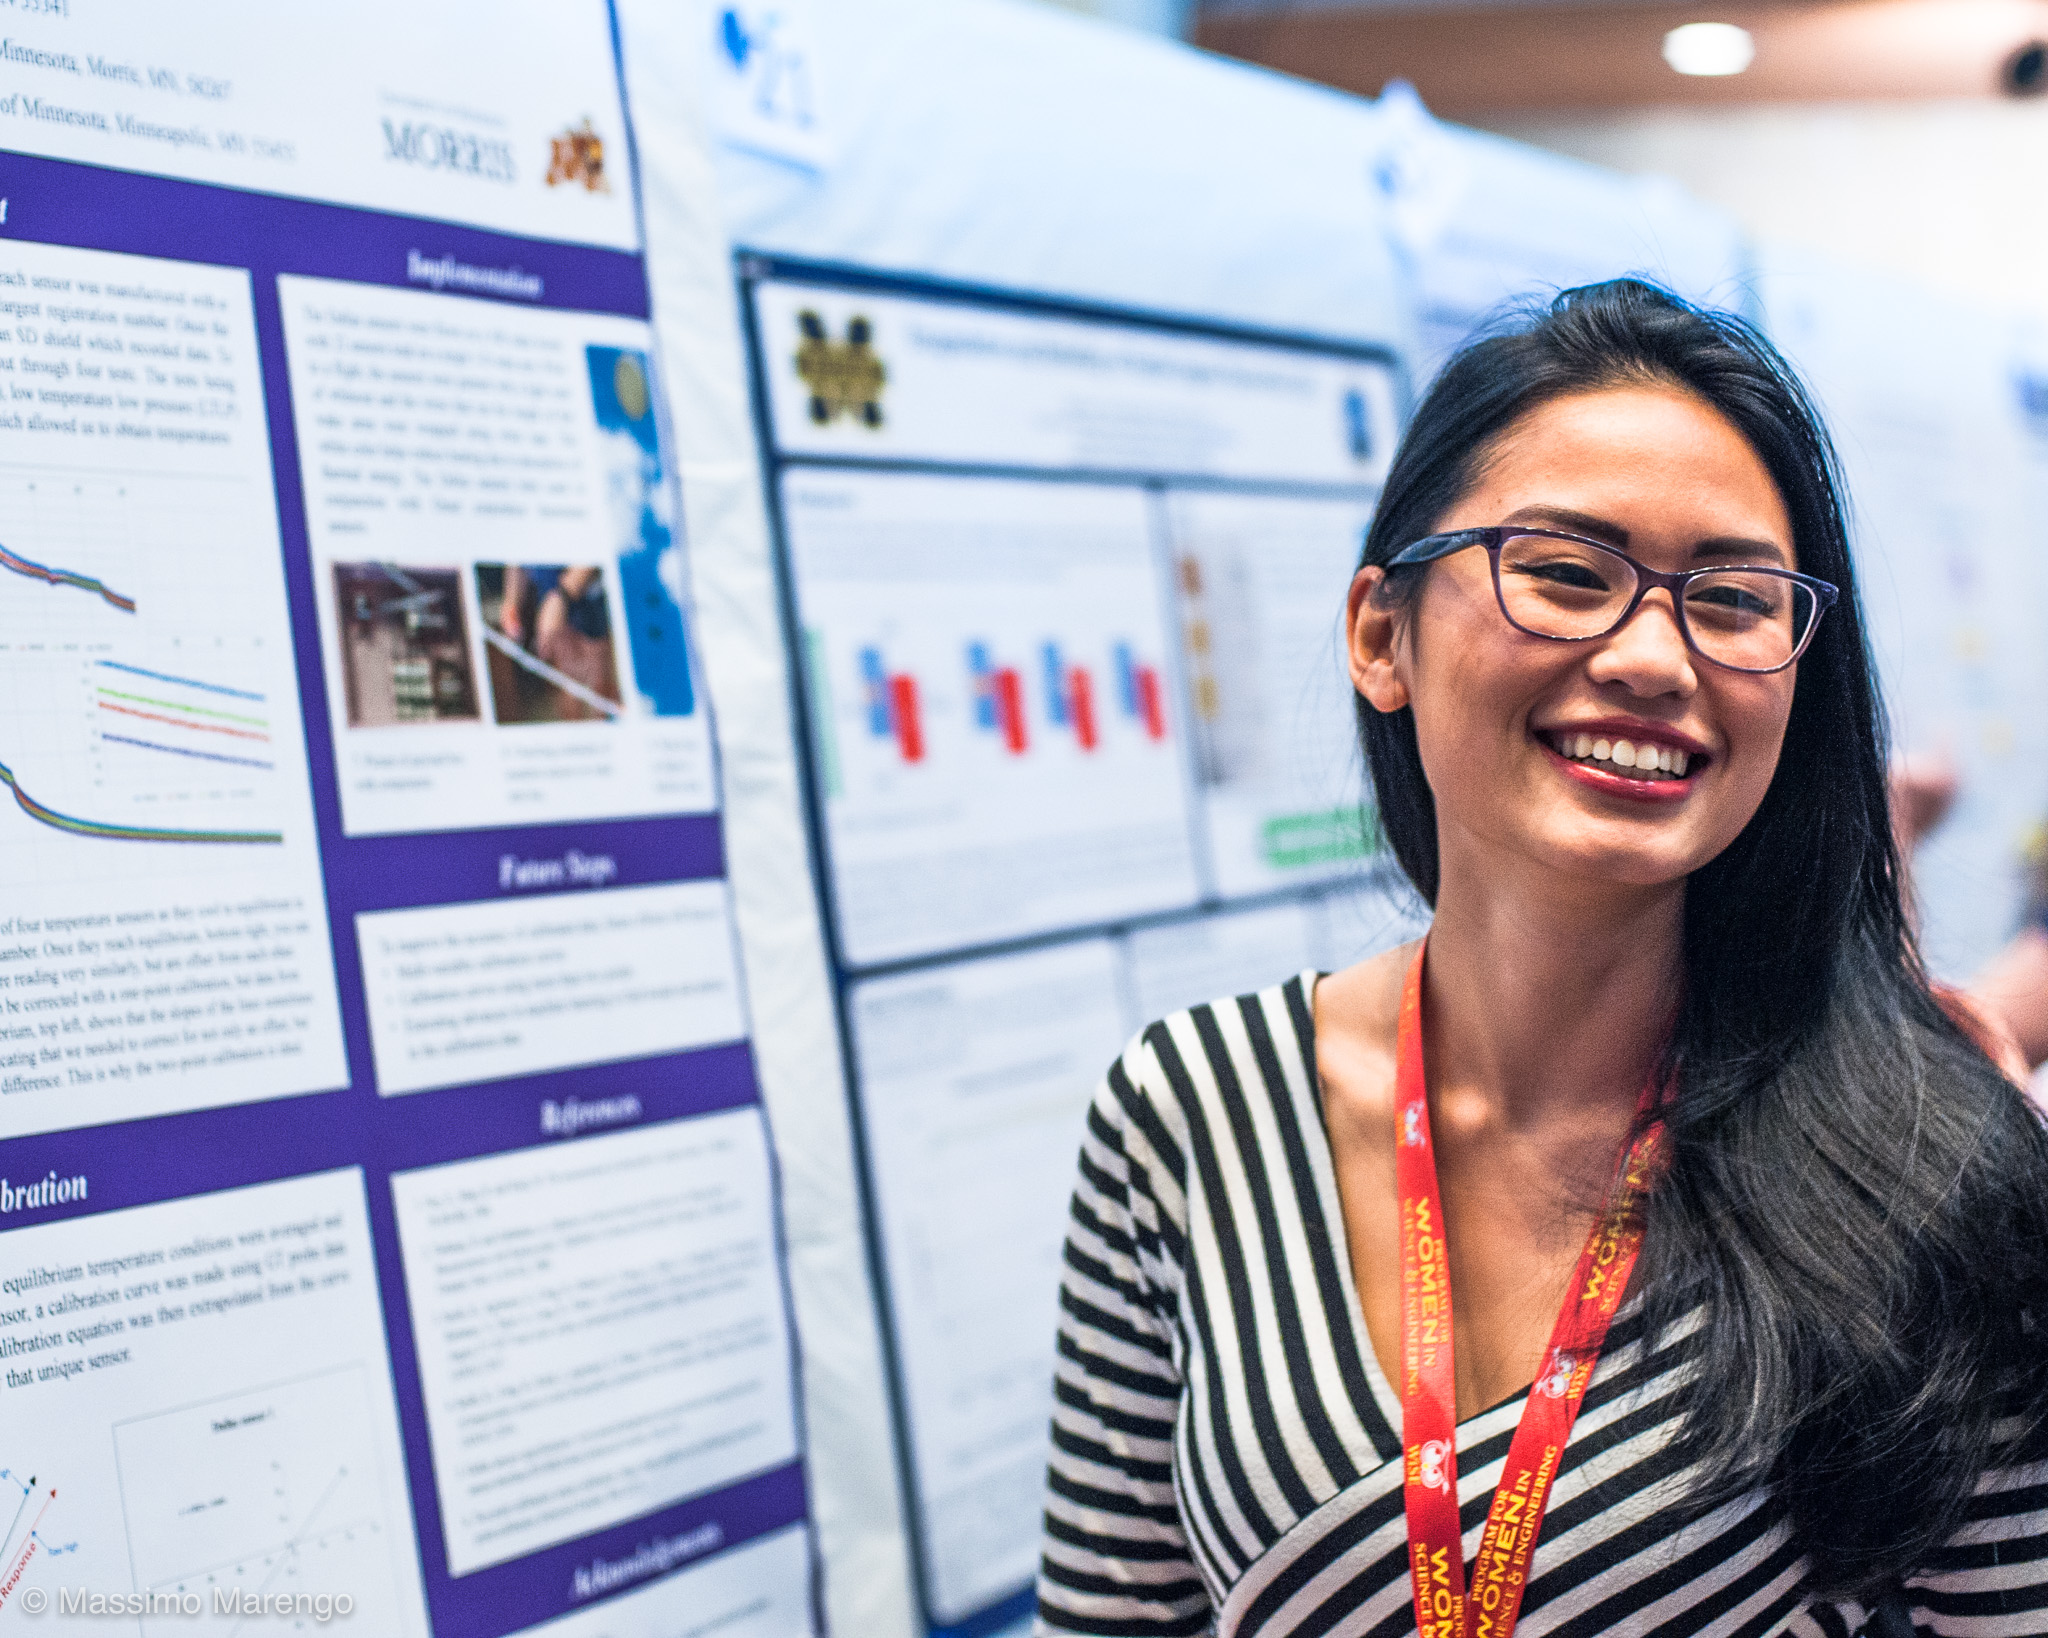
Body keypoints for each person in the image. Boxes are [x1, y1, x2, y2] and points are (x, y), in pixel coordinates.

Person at [1034, 282, 2048, 1637]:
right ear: (1380, 633)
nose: (1650, 656)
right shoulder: (1187, 1112)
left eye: (1734, 598)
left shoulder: (1923, 1159)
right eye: (1568, 573)